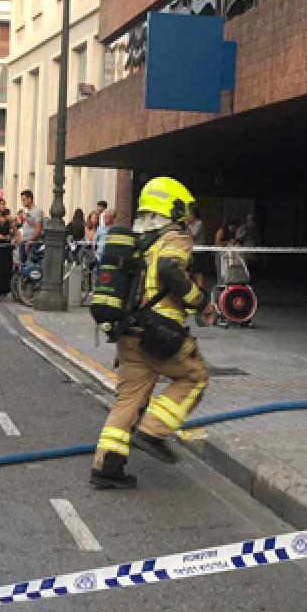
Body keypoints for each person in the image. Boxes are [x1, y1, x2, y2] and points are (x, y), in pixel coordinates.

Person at [90, 177, 212, 490]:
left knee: (128, 399)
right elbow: (170, 272)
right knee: (194, 376)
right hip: (160, 333)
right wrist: (200, 301)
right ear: (172, 206)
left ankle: (106, 468)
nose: (187, 215)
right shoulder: (175, 238)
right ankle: (154, 430)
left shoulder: (136, 238)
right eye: (184, 208)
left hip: (128, 334)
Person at [19, 190, 43, 261]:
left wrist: (29, 242)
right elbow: (26, 225)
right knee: (22, 264)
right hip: (24, 240)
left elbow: (38, 229)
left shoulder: (37, 211)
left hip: (31, 243)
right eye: (22, 200)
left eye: (24, 200)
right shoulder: (27, 211)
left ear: (30, 199)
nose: (22, 202)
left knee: (29, 265)